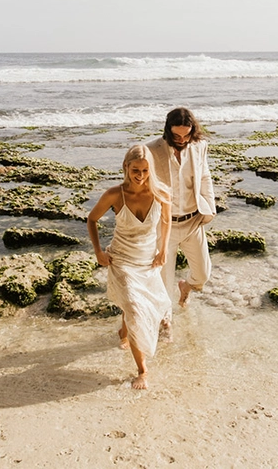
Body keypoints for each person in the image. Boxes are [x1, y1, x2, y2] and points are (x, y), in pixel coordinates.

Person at [87, 144, 172, 389]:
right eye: (135, 170)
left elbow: (166, 220)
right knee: (135, 308)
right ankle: (142, 371)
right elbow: (92, 219)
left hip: (147, 261)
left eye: (145, 170)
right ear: (126, 167)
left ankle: (123, 333)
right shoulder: (115, 194)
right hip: (122, 260)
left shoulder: (161, 193)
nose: (140, 175)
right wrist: (98, 251)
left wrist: (164, 249)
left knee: (138, 304)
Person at [147, 107, 216, 326]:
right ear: (167, 130)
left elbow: (204, 176)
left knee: (203, 274)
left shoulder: (200, 145)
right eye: (177, 136)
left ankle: (186, 287)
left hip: (193, 221)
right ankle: (166, 326)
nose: (182, 140)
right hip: (164, 225)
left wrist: (210, 206)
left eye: (187, 135)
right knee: (164, 284)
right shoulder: (151, 150)